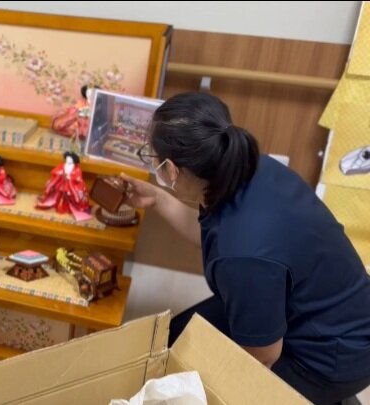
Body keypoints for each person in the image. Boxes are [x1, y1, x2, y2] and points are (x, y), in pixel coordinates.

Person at [124, 92, 370, 405]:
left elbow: (264, 355)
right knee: (172, 341)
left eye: (153, 159)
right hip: (319, 306)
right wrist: (158, 198)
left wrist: (213, 383)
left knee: (197, 388)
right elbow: (213, 234)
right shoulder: (247, 168)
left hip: (331, 356)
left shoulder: (243, 254)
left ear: (171, 170)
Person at [36, 151, 92, 221]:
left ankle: (71, 206)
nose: (68, 160)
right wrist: (61, 174)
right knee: (58, 192)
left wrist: (70, 177)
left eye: (70, 159)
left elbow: (78, 177)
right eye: (67, 159)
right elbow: (57, 170)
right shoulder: (63, 165)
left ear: (74, 160)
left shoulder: (77, 169)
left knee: (73, 194)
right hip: (62, 181)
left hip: (72, 184)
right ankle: (59, 204)